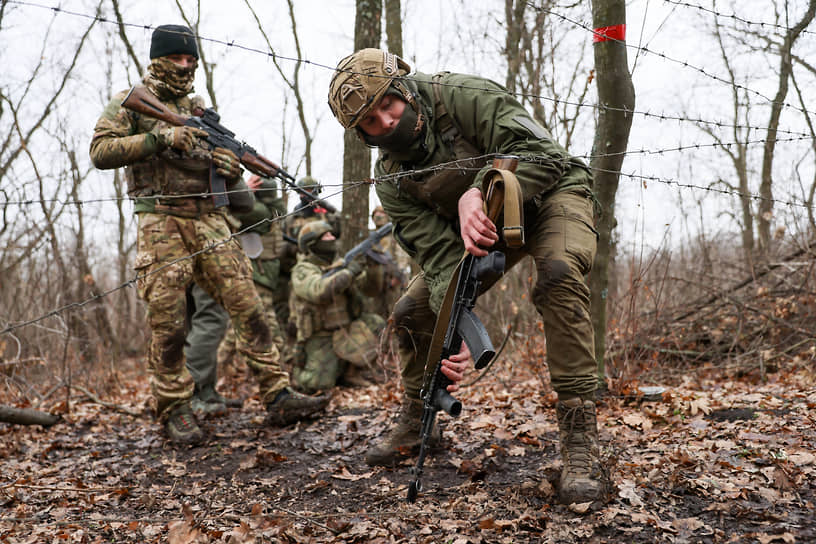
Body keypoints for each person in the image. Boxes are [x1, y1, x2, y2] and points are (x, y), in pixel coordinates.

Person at [328, 49, 603, 504]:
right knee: (412, 311)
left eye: (388, 105)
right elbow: (440, 261)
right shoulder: (391, 180)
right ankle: (419, 424)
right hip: (486, 231)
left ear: (404, 91)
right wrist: (449, 325)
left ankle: (580, 443)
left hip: (552, 196)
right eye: (371, 122)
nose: (386, 121)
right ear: (361, 134)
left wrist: (478, 189)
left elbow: (545, 154)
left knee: (556, 276)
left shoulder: (462, 95)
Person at [89, 24, 328, 445]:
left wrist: (230, 167)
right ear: (157, 59)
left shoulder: (199, 110)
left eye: (191, 61)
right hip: (161, 219)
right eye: (177, 59)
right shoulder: (133, 104)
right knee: (168, 321)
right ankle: (175, 409)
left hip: (210, 220)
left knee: (249, 305)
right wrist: (160, 137)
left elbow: (221, 178)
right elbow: (101, 152)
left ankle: (278, 394)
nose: (184, 67)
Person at [288, 221, 386, 392]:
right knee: (316, 385)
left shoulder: (340, 264)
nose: (332, 238)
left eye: (332, 234)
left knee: (377, 324)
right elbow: (319, 291)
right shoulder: (303, 270)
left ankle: (352, 371)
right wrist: (349, 272)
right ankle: (299, 371)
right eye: (326, 236)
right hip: (320, 336)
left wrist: (373, 265)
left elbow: (371, 290)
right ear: (312, 243)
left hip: (346, 330)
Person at [217, 174, 289, 371]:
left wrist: (245, 192)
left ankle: (220, 368)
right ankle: (279, 371)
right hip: (256, 276)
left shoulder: (268, 210)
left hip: (262, 276)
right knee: (265, 327)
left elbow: (279, 210)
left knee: (240, 325)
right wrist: (244, 191)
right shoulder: (256, 210)